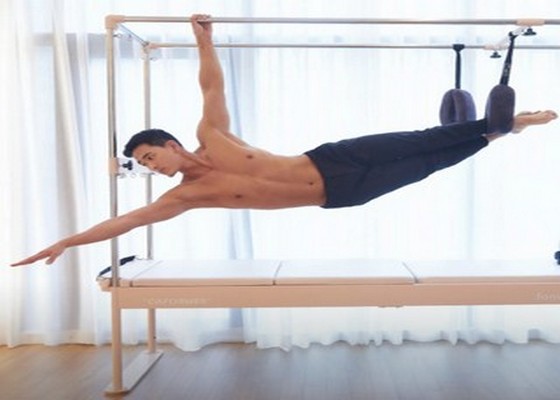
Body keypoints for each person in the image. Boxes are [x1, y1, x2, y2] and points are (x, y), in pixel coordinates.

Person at [11, 14, 558, 267]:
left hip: (334, 157)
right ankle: (496, 132)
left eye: (152, 156)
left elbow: (211, 86)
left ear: (172, 145)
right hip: (341, 195)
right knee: (431, 164)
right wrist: (66, 242)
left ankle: (510, 119)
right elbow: (126, 222)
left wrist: (203, 40)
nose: (153, 168)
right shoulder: (185, 198)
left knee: (420, 139)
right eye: (146, 165)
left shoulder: (213, 137)